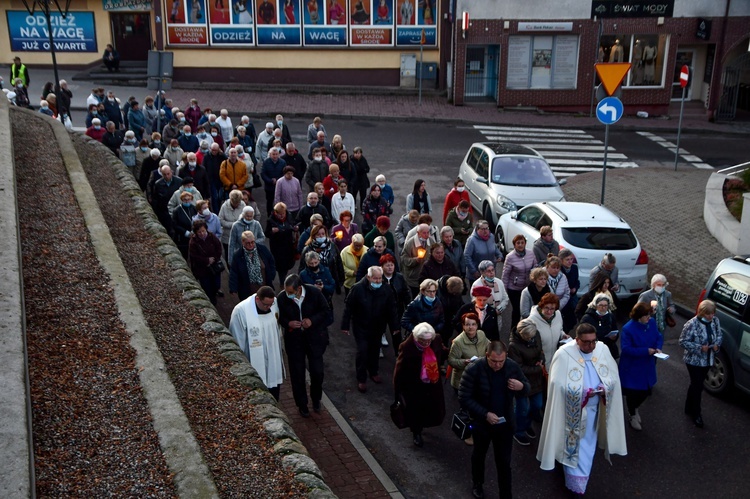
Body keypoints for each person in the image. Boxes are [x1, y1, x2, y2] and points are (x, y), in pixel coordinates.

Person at [537, 323, 627, 496]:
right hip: (572, 413)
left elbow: (612, 377)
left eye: (593, 341)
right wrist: (581, 393)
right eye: (586, 342)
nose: (591, 346)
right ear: (577, 340)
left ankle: (578, 480)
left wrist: (604, 387)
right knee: (572, 448)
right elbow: (556, 384)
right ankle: (574, 484)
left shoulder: (601, 349)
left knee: (587, 447)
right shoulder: (563, 354)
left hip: (593, 412)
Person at [459, 341, 530, 499]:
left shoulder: (511, 366)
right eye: (494, 361)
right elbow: (464, 397)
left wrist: (522, 387)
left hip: (504, 425)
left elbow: (526, 387)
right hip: (481, 424)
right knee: (479, 455)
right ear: (487, 356)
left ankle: (506, 494)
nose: (498, 365)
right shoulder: (474, 369)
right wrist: (485, 414)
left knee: (504, 462)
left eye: (501, 361)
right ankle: (478, 484)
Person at [277, 274, 330, 417]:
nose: (287, 294)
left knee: (317, 372)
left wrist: (312, 321)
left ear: (299, 288)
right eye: (286, 291)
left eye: (290, 292)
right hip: (294, 341)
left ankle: (316, 398)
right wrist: (288, 323)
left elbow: (326, 311)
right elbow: (279, 316)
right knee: (297, 374)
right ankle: (302, 404)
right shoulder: (282, 298)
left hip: (314, 339)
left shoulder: (314, 293)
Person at [342, 266, 399, 392]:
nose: (378, 281)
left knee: (374, 350)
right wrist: (345, 325)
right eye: (375, 278)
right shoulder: (357, 288)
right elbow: (349, 308)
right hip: (361, 326)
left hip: (378, 326)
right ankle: (361, 378)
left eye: (380, 278)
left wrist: (394, 326)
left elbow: (392, 309)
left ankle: (373, 371)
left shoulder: (386, 289)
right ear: (368, 277)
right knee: (362, 351)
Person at [392, 321, 446, 449]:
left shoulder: (436, 340)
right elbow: (399, 371)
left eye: (428, 341)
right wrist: (397, 391)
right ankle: (416, 432)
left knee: (431, 408)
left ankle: (424, 424)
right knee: (416, 411)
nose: (426, 344)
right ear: (416, 338)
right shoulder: (407, 348)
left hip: (432, 384)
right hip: (414, 387)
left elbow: (443, 351)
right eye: (422, 341)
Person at [229, 286, 285, 401]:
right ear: (258, 299)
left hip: (273, 358)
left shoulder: (274, 304)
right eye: (266, 305)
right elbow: (237, 339)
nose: (269, 307)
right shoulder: (241, 311)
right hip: (254, 360)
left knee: (274, 390)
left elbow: (277, 329)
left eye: (271, 304)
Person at [619, 302, 663, 431]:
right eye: (646, 316)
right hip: (632, 367)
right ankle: (632, 414)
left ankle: (635, 409)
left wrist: (658, 348)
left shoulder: (651, 323)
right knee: (633, 393)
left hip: (646, 365)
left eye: (649, 315)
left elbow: (658, 336)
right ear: (638, 316)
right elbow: (626, 349)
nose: (649, 318)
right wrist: (645, 351)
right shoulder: (628, 329)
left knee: (645, 392)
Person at [679, 299, 722, 428]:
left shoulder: (715, 321)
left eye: (713, 313)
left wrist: (716, 345)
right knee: (698, 386)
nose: (711, 316)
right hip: (694, 361)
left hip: (708, 360)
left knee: (695, 384)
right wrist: (698, 348)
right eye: (708, 314)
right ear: (702, 312)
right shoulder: (691, 324)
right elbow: (682, 341)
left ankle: (688, 406)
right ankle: (696, 414)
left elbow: (719, 335)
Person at [508, 318, 545, 447]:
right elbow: (518, 367)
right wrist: (538, 368)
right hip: (522, 381)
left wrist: (541, 359)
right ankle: (518, 431)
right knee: (522, 408)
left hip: (535, 379)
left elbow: (540, 351)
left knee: (536, 405)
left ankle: (526, 424)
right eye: (528, 337)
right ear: (522, 334)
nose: (531, 339)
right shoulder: (513, 346)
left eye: (532, 336)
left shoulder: (536, 334)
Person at [448, 312, 490, 393]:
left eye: (473, 324)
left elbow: (489, 346)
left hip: (478, 379)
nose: (470, 327)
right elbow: (451, 360)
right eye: (467, 324)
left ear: (477, 325)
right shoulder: (458, 342)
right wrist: (464, 362)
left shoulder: (481, 334)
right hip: (463, 381)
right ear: (463, 326)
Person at [228, 230, 276, 301]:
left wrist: (272, 275)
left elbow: (271, 262)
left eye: (252, 242)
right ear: (243, 242)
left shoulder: (262, 249)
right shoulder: (238, 255)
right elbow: (234, 273)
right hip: (247, 291)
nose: (251, 245)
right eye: (248, 243)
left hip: (264, 287)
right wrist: (233, 288)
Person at [503, 235, 537, 329]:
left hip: (527, 287)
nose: (520, 245)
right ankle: (514, 330)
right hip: (514, 289)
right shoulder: (510, 257)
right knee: (517, 310)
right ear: (514, 245)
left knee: (528, 309)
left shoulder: (530, 253)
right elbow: (506, 274)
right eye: (518, 243)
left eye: (522, 242)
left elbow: (535, 266)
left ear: (525, 243)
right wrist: (504, 290)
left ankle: (526, 329)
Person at [188, 219, 223, 305]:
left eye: (203, 231)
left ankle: (214, 294)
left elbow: (219, 248)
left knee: (216, 285)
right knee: (207, 287)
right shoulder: (193, 242)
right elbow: (194, 256)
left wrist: (214, 258)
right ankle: (211, 301)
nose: (202, 233)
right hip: (202, 269)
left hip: (214, 266)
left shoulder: (212, 237)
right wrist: (206, 260)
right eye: (199, 232)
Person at [382, 254, 411, 354]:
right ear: (382, 267)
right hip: (381, 310)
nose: (390, 267)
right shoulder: (378, 278)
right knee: (379, 330)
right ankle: (378, 348)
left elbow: (405, 293)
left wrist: (408, 306)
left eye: (392, 265)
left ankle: (398, 354)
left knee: (396, 333)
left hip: (396, 311)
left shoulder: (399, 277)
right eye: (387, 265)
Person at [527, 293, 567, 366]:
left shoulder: (558, 314)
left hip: (554, 359)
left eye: (552, 309)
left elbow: (559, 329)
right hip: (539, 362)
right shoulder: (532, 320)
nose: (549, 312)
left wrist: (563, 335)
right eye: (546, 308)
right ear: (541, 306)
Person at [266, 202, 297, 287]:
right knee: (280, 267)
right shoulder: (270, 220)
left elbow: (292, 224)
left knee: (287, 265)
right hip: (277, 247)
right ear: (275, 213)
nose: (282, 216)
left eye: (283, 213)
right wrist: (272, 231)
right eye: (280, 214)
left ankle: (283, 279)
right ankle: (282, 282)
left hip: (288, 245)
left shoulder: (289, 216)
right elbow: (266, 233)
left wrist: (294, 228)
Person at [581, 293, 620, 359]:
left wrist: (615, 337)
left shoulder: (610, 316)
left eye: (605, 305)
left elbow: (615, 329)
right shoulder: (587, 318)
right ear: (595, 305)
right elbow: (584, 335)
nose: (603, 308)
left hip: (609, 349)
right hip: (593, 350)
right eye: (601, 305)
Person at [472, 260, 509, 325]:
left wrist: (498, 309)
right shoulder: (476, 285)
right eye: (488, 271)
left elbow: (505, 298)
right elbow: (475, 303)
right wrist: (490, 312)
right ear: (482, 272)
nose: (492, 273)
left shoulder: (499, 282)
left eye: (493, 270)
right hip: (484, 319)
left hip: (497, 318)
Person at [401, 224, 432, 296]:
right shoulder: (410, 243)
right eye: (424, 233)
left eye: (428, 232)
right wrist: (415, 260)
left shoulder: (431, 241)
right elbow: (404, 259)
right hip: (414, 278)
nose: (427, 235)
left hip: (427, 277)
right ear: (418, 233)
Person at [559, 248, 580, 334]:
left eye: (571, 259)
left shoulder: (574, 268)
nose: (570, 261)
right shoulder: (559, 270)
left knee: (573, 317)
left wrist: (575, 288)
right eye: (567, 259)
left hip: (572, 295)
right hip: (563, 296)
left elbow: (577, 281)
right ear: (561, 260)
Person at [172, 190, 198, 258]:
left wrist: (194, 231)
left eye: (188, 199)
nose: (187, 201)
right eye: (185, 199)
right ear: (181, 200)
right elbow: (174, 225)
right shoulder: (176, 210)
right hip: (182, 237)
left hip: (193, 235)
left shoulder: (194, 208)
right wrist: (185, 232)